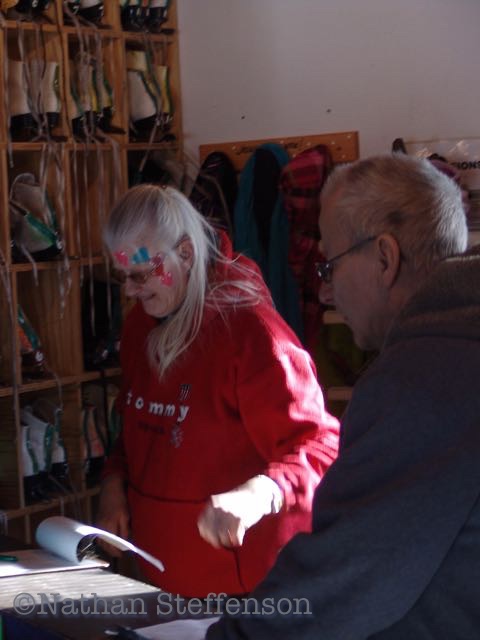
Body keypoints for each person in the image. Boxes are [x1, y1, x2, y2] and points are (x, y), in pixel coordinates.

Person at [207, 153, 480, 639]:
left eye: (328, 266)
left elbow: (347, 574)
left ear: (385, 258)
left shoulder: (421, 380)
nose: (326, 293)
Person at [96, 184, 340, 598]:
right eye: (124, 277)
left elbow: (322, 446)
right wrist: (113, 480)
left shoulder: (250, 332)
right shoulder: (141, 325)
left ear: (186, 254)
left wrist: (261, 493)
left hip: (249, 592)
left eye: (140, 275)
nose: (131, 291)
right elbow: (141, 424)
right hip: (162, 580)